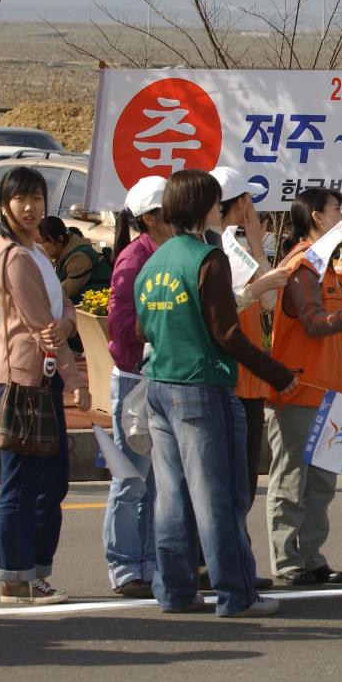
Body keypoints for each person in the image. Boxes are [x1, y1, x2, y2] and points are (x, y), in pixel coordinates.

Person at [136, 169, 297, 617]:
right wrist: (276, 372)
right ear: (203, 206)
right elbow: (227, 332)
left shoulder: (155, 261)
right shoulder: (209, 258)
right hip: (203, 386)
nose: (218, 207)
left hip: (160, 385)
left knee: (172, 498)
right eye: (215, 201)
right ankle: (236, 594)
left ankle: (175, 592)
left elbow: (140, 327)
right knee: (218, 497)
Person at [266, 188, 342, 586]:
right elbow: (313, 324)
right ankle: (287, 559)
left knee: (322, 484)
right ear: (317, 216)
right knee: (293, 480)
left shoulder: (328, 267)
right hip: (300, 390)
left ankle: (311, 556)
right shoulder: (302, 267)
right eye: (336, 210)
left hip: (331, 394)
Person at [0, 166, 90, 605]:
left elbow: (63, 307)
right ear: (5, 205)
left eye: (36, 198)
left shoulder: (34, 251)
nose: (30, 208)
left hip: (41, 380)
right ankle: (15, 579)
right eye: (20, 199)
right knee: (24, 483)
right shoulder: (13, 256)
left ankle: (31, 572)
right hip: (22, 382)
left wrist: (66, 322)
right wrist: (75, 376)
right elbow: (45, 328)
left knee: (51, 481)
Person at [101, 175, 170, 599]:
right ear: (149, 218)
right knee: (130, 479)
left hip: (161, 378)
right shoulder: (133, 259)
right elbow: (120, 326)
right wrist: (167, 323)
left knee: (157, 481)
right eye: (169, 211)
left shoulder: (169, 251)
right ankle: (124, 566)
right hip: (133, 381)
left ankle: (147, 561)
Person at [213, 167, 290, 516]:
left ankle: (235, 559)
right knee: (225, 479)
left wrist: (258, 244)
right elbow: (226, 307)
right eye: (249, 200)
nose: (253, 207)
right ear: (238, 203)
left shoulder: (239, 245)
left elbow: (270, 304)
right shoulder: (212, 247)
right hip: (227, 374)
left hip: (252, 377)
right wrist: (257, 287)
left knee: (244, 481)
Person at [37, 215, 112, 301]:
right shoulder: (62, 253)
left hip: (98, 308)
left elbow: (62, 293)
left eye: (40, 242)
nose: (37, 247)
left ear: (59, 239)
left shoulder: (80, 258)